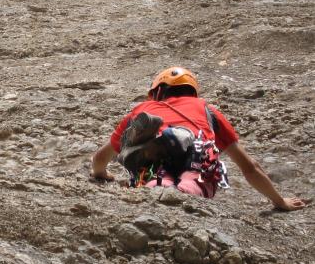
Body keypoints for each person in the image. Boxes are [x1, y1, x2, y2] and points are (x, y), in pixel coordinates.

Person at [90, 66, 307, 212]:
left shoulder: (142, 110)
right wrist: (280, 202)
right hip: (197, 154)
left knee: (156, 178)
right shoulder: (207, 110)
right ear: (192, 92)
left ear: (156, 93)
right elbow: (250, 167)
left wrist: (100, 174)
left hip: (153, 155)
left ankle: (157, 181)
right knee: (192, 180)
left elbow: (100, 158)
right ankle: (185, 185)